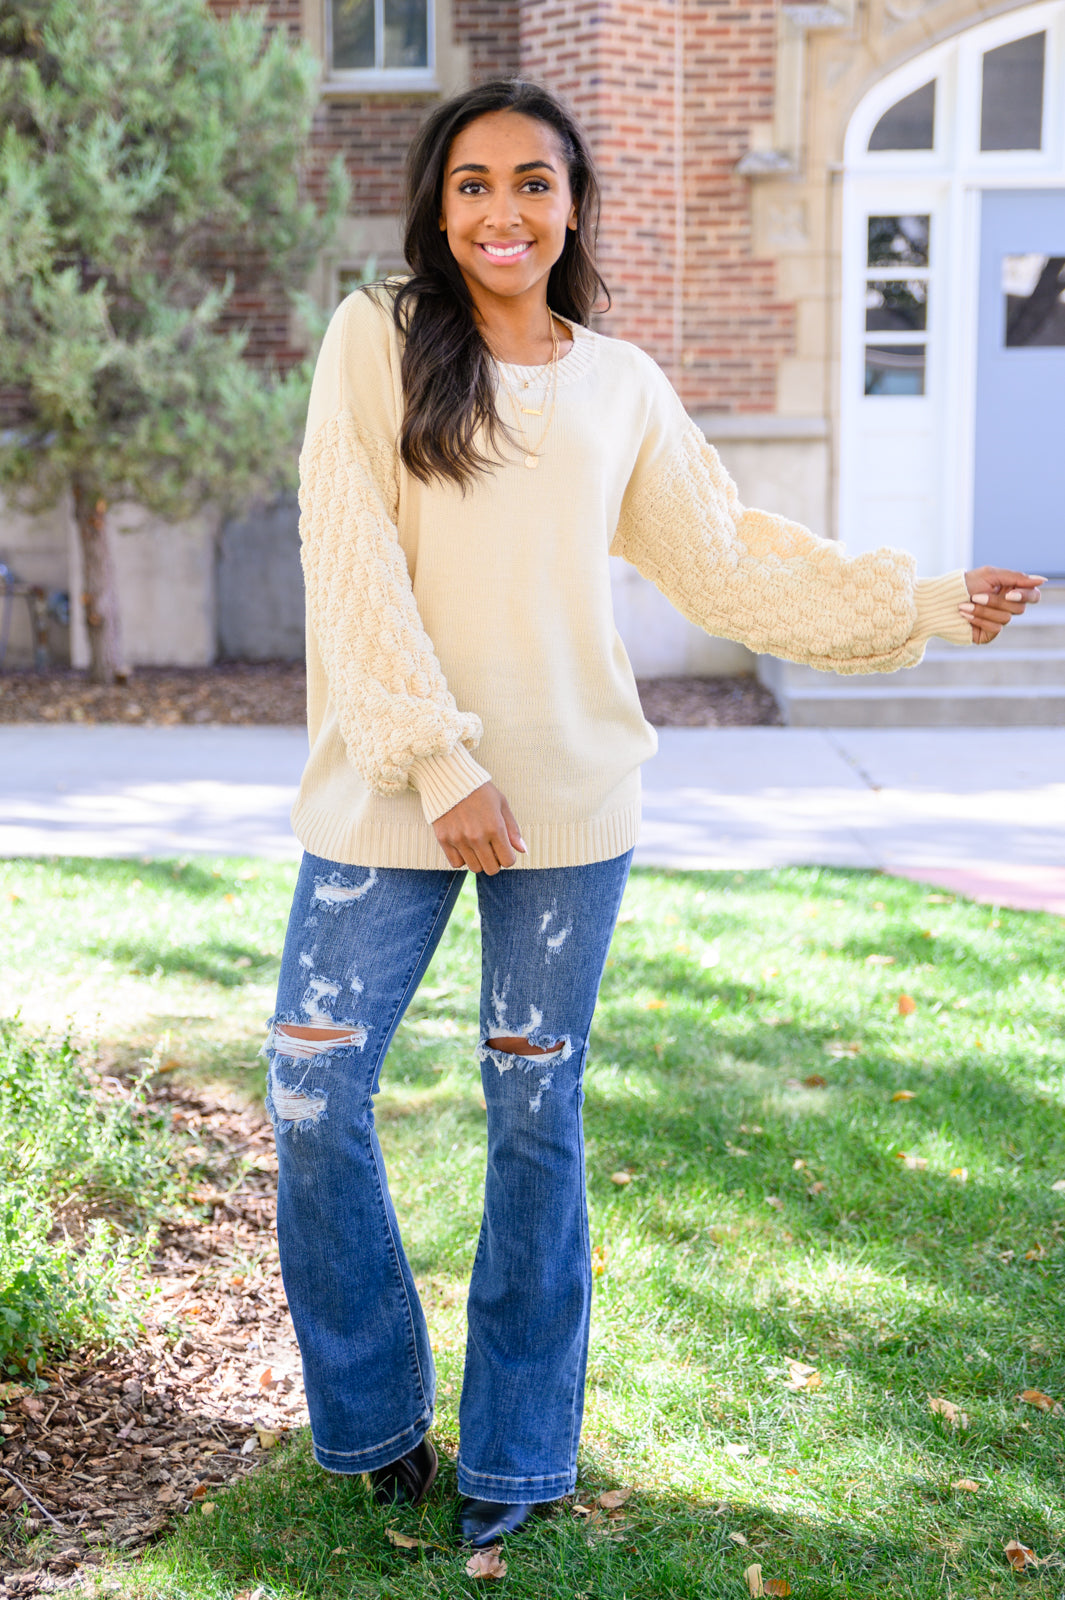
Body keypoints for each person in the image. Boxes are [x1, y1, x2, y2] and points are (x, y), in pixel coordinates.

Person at [264, 78, 1043, 1548]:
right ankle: (372, 1418)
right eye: (476, 183)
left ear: (571, 206)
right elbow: (349, 557)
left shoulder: (617, 381)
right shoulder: (374, 339)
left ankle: (511, 1451)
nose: (506, 211)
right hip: (390, 787)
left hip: (569, 793)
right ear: (439, 204)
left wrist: (925, 602)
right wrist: (440, 764)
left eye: (535, 184)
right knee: (310, 1088)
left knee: (531, 1112)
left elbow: (729, 562)